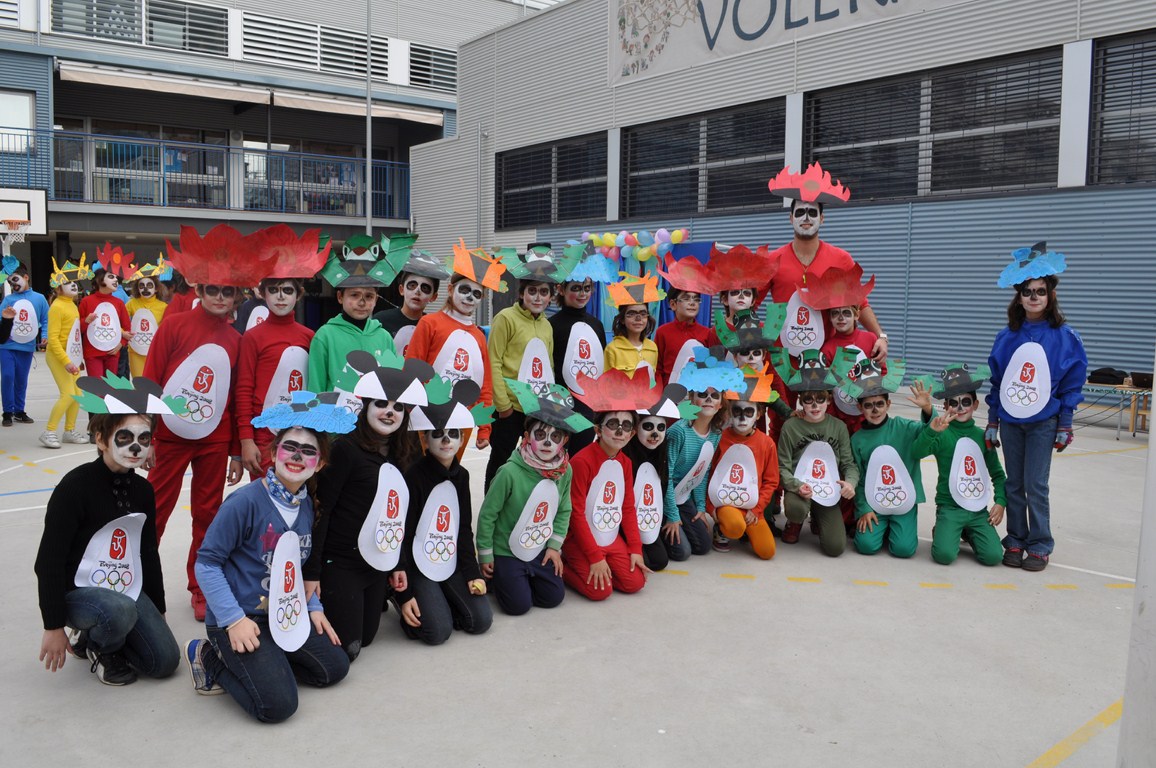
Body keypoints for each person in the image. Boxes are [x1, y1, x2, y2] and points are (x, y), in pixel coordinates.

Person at [186, 397, 351, 722]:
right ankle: (208, 656)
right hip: (240, 616)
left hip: (284, 612)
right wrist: (233, 620)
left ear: (319, 464)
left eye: (308, 451)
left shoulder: (305, 504)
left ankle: (267, 662)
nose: (297, 456)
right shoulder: (244, 503)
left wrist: (313, 607)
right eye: (290, 447)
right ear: (274, 453)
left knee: (334, 668)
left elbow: (295, 565)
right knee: (277, 706)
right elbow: (206, 564)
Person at [148, 223, 278, 620]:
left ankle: (201, 588)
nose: (219, 297)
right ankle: (138, 583)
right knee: (154, 510)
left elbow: (237, 400)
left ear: (237, 295)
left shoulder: (238, 341)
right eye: (212, 289)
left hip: (213, 442)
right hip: (169, 437)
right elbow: (151, 379)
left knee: (207, 515)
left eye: (227, 291)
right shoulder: (174, 326)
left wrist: (235, 452)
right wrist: (147, 435)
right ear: (199, 290)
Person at [34, 374, 182, 686]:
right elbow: (49, 560)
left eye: (144, 439)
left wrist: (158, 609)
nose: (135, 447)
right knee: (117, 610)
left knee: (165, 661)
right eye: (124, 437)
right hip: (79, 590)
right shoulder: (75, 487)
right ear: (101, 439)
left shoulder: (143, 491)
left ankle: (101, 633)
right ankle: (101, 648)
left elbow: (147, 553)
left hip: (122, 586)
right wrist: (53, 625)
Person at [305, 352, 431, 660]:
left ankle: (380, 593)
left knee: (368, 638)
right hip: (341, 561)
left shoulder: (404, 453)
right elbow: (322, 510)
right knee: (349, 648)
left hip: (375, 562)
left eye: (397, 407)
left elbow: (398, 517)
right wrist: (313, 572)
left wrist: (398, 565)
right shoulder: (345, 450)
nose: (389, 412)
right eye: (381, 404)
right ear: (366, 407)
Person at [986, 243, 1087, 572]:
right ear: (1018, 297)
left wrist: (1065, 423)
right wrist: (993, 421)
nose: (1034, 297)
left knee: (1036, 484)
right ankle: (1016, 538)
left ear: (1050, 295)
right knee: (1014, 483)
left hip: (1044, 422)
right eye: (1027, 291)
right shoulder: (1007, 337)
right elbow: (998, 383)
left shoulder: (1066, 337)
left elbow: (1071, 383)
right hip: (1011, 422)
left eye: (1040, 291)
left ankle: (1040, 543)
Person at [476, 382, 588, 616]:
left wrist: (554, 547)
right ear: (526, 437)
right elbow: (488, 514)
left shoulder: (564, 470)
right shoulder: (509, 472)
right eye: (540, 434)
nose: (548, 442)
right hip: (507, 549)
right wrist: (486, 553)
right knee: (518, 606)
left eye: (555, 436)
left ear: (564, 441)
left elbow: (564, 510)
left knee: (552, 597)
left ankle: (518, 579)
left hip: (538, 546)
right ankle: (503, 579)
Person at [396, 378, 493, 645]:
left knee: (481, 620)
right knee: (437, 632)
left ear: (461, 439)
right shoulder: (414, 476)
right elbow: (403, 534)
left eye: (453, 433)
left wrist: (472, 573)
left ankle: (442, 602)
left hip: (447, 557)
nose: (446, 440)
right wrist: (405, 592)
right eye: (438, 433)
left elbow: (463, 529)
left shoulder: (462, 476)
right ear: (425, 440)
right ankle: (421, 604)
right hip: (417, 563)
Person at [766, 163, 889, 362]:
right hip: (782, 358)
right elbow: (749, 303)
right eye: (800, 212)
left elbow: (860, 302)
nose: (806, 218)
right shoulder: (773, 260)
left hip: (826, 358)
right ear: (790, 218)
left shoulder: (841, 259)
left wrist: (881, 336)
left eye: (812, 212)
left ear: (822, 218)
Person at [235, 227, 330, 478]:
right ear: (262, 293)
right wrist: (246, 440)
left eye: (287, 290)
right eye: (273, 289)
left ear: (298, 295)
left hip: (302, 433)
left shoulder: (310, 337)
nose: (280, 297)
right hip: (263, 435)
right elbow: (243, 390)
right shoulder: (252, 337)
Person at [564, 368, 662, 600]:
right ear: (598, 429)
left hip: (608, 535)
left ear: (632, 434)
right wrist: (594, 557)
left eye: (626, 426)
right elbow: (576, 513)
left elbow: (627, 507)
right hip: (580, 538)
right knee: (600, 591)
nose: (619, 430)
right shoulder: (581, 461)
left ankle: (603, 566)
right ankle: (563, 566)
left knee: (635, 583)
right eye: (613, 424)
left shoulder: (625, 462)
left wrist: (635, 549)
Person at [485, 243, 572, 489]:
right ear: (522, 293)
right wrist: (503, 406)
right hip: (510, 408)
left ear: (551, 296)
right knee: (500, 461)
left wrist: (548, 405)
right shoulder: (505, 318)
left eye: (543, 292)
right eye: (532, 291)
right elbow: (494, 362)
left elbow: (548, 367)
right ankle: (493, 506)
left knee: (532, 463)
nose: (538, 297)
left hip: (536, 409)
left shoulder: (546, 326)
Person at [407, 241, 504, 454]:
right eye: (465, 290)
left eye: (476, 294)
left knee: (450, 472)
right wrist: (412, 411)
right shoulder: (429, 323)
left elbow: (485, 385)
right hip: (426, 415)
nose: (469, 297)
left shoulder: (479, 335)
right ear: (451, 290)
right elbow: (412, 369)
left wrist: (484, 429)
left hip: (462, 419)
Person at [914, 364, 1007, 566]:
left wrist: (1000, 502)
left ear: (975, 404)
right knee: (944, 556)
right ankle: (944, 528)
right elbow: (916, 452)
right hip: (950, 507)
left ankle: (968, 532)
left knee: (993, 557)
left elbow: (998, 474)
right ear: (946, 406)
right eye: (954, 403)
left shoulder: (983, 437)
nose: (960, 408)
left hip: (977, 509)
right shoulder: (942, 432)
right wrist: (931, 432)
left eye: (966, 402)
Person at [774, 349, 859, 557]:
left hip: (827, 488)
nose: (814, 405)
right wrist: (796, 486)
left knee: (835, 548)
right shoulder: (791, 426)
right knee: (796, 509)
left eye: (820, 398)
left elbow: (848, 464)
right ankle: (795, 521)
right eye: (808, 399)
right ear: (800, 401)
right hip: (800, 487)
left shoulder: (838, 427)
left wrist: (850, 483)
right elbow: (782, 466)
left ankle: (818, 517)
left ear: (829, 400)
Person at [847, 362, 933, 559]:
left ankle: (894, 529)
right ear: (860, 408)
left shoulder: (903, 427)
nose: (875, 410)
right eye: (868, 405)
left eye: (879, 404)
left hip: (903, 499)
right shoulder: (857, 439)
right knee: (866, 546)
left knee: (903, 549)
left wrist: (928, 409)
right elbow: (858, 477)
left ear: (888, 404)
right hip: (874, 501)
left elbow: (929, 431)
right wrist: (864, 508)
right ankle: (882, 528)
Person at [309, 233, 400, 412]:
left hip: (374, 422)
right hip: (334, 422)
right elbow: (316, 387)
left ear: (376, 300)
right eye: (354, 295)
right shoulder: (325, 336)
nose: (362, 302)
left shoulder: (384, 337)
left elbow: (390, 385)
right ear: (340, 297)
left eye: (369, 296)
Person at [707, 364, 781, 560]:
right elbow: (707, 473)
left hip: (751, 506)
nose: (742, 417)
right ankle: (723, 528)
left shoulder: (767, 443)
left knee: (767, 551)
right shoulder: (719, 438)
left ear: (758, 414)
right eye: (737, 411)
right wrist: (711, 507)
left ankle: (743, 526)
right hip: (724, 502)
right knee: (735, 527)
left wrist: (757, 509)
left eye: (748, 412)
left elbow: (771, 481)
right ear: (729, 413)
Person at [549, 245, 614, 454]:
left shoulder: (596, 325)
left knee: (580, 460)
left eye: (587, 288)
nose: (582, 293)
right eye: (576, 288)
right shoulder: (551, 325)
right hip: (559, 408)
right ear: (561, 289)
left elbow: (600, 367)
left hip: (588, 409)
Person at [622, 384, 690, 571]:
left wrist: (671, 517)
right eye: (648, 426)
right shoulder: (625, 454)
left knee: (662, 560)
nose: (655, 433)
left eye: (661, 428)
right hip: (623, 522)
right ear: (636, 428)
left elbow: (664, 489)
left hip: (649, 518)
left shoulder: (662, 454)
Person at [40, 257, 93, 449]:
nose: (73, 285)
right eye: (67, 282)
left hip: (71, 357)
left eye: (74, 282)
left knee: (77, 394)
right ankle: (49, 431)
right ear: (58, 288)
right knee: (68, 394)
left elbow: (74, 335)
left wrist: (77, 359)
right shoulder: (56, 307)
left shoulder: (71, 304)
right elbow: (53, 339)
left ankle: (69, 431)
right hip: (58, 357)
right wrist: (66, 361)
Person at [373, 236, 446, 356]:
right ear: (401, 289)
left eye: (425, 288)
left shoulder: (434, 327)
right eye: (412, 285)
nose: (417, 291)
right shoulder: (380, 321)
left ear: (433, 297)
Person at [1, 262, 50, 426]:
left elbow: (46, 319)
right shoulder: (8, 300)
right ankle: (7, 412)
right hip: (7, 346)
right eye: (10, 282)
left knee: (21, 380)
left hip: (27, 346)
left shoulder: (39, 298)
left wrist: (45, 335)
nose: (13, 284)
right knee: (8, 376)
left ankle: (19, 410)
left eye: (15, 279)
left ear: (26, 277)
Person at [79, 266, 132, 381]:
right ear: (100, 280)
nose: (116, 280)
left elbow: (127, 329)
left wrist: (120, 344)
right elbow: (78, 330)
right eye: (111, 277)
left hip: (112, 352)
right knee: (97, 387)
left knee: (110, 387)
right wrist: (86, 321)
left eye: (116, 277)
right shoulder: (86, 301)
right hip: (92, 353)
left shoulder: (119, 303)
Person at [124, 261, 168, 378]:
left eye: (149, 285)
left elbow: (168, 329)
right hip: (135, 350)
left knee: (153, 381)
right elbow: (120, 318)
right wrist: (124, 333)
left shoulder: (164, 307)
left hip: (155, 352)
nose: (145, 289)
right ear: (137, 289)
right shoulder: (132, 303)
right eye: (141, 286)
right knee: (138, 381)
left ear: (156, 289)